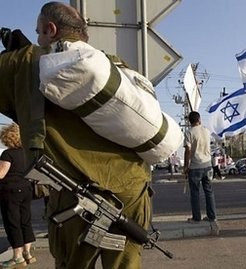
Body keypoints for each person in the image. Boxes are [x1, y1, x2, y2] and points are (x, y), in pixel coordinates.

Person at [0, 2, 152, 268]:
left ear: (50, 28)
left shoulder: (26, 62)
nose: (36, 39)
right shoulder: (116, 66)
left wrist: (20, 54)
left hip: (76, 196)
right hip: (132, 192)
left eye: (38, 32)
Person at [0, 123, 36, 268]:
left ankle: (17, 257)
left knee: (12, 222)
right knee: (25, 221)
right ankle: (28, 254)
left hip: (10, 192)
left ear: (7, 138)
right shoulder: (27, 152)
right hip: (26, 189)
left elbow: (1, 174)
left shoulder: (7, 154)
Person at [184, 111, 217, 222]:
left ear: (189, 121)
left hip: (195, 167)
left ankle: (196, 217)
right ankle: (212, 216)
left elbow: (188, 150)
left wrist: (186, 166)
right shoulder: (206, 131)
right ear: (200, 119)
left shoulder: (189, 133)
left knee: (195, 193)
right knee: (209, 192)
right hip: (208, 165)